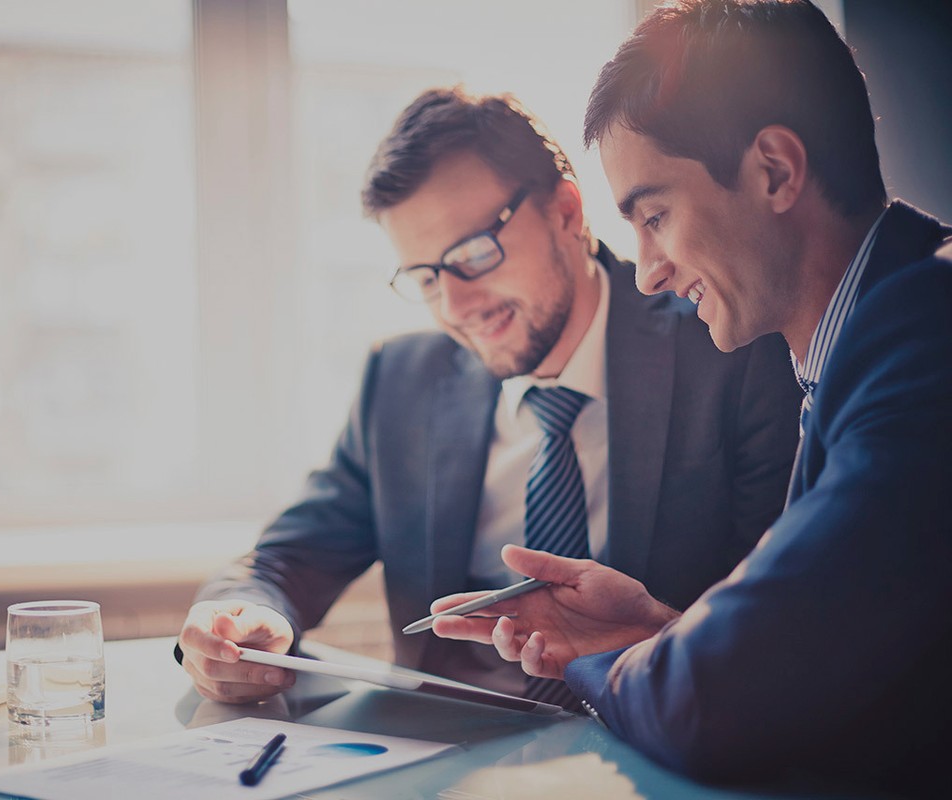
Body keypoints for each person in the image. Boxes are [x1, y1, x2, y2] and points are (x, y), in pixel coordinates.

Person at [428, 1, 952, 793]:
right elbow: (818, 665)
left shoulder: (924, 338)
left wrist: (613, 657)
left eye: (657, 216)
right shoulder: (862, 338)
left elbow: (711, 703)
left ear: (776, 170)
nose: (647, 272)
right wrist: (658, 630)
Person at [176, 86, 801, 710]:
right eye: (425, 277)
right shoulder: (400, 381)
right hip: (443, 758)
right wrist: (237, 617)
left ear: (565, 211)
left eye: (473, 253)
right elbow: (287, 557)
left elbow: (778, 625)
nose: (455, 306)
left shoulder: (728, 347)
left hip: (648, 739)